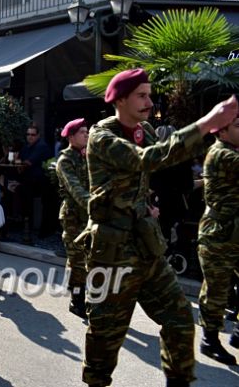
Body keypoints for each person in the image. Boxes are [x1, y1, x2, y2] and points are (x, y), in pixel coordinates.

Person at [80, 68, 238, 387]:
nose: (150, 102)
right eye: (141, 95)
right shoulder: (101, 135)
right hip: (112, 253)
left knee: (180, 320)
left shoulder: (145, 129)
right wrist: (208, 122)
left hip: (147, 247)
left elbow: (165, 165)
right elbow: (148, 159)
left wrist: (150, 200)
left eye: (150, 94)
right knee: (104, 338)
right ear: (120, 99)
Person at [196, 113, 239, 364]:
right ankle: (209, 341)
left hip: (233, 231)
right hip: (218, 236)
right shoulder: (223, 154)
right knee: (216, 291)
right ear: (221, 132)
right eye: (237, 126)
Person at [55, 118, 90, 320]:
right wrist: (95, 204)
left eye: (87, 131)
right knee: (78, 261)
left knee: (86, 259)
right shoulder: (65, 161)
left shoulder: (87, 157)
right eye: (82, 132)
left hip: (88, 216)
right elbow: (75, 189)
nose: (86, 134)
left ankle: (82, 294)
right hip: (73, 218)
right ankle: (76, 302)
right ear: (71, 137)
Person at [17, 123, 53, 241]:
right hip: (29, 180)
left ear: (38, 135)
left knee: (23, 193)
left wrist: (20, 163)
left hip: (42, 183)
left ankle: (28, 229)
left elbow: (27, 162)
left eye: (33, 134)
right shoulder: (26, 147)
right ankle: (24, 226)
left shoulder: (41, 146)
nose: (30, 136)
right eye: (28, 134)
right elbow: (20, 161)